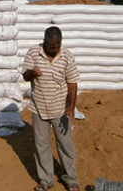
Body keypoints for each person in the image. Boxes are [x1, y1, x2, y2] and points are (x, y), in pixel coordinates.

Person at [22, 27, 80, 191]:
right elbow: (25, 76)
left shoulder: (67, 56)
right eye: (52, 46)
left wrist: (71, 109)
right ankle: (46, 180)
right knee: (41, 145)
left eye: (58, 45)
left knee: (65, 145)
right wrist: (32, 73)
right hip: (39, 108)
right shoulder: (34, 53)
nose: (55, 49)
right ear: (45, 42)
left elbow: (73, 83)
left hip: (60, 109)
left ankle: (71, 180)